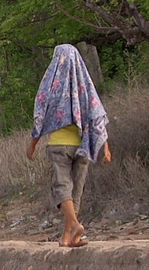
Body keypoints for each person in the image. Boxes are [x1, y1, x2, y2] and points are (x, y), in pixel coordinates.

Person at [26, 44, 112, 248]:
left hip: (58, 145)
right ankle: (69, 236)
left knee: (62, 186)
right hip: (82, 146)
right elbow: (96, 114)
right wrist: (105, 146)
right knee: (76, 191)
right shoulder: (85, 85)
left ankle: (74, 225)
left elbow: (40, 115)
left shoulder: (51, 85)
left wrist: (33, 144)